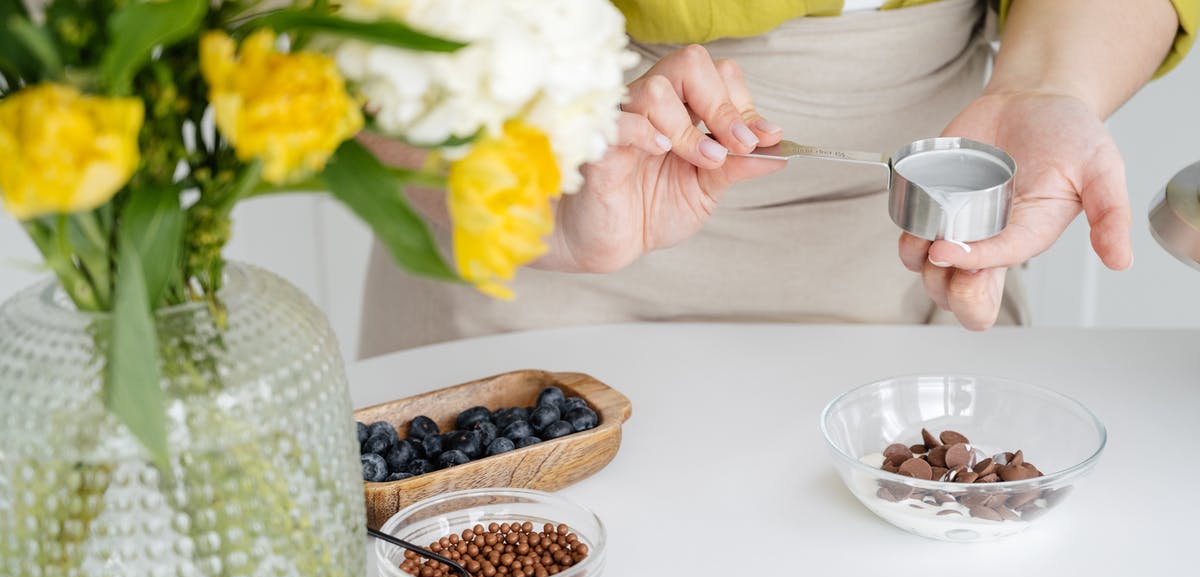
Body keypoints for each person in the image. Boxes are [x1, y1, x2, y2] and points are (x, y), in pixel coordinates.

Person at [359, 0, 1197, 357]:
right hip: (520, 253)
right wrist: (533, 195)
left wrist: (1046, 87)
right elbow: (325, 38)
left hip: (899, 297)